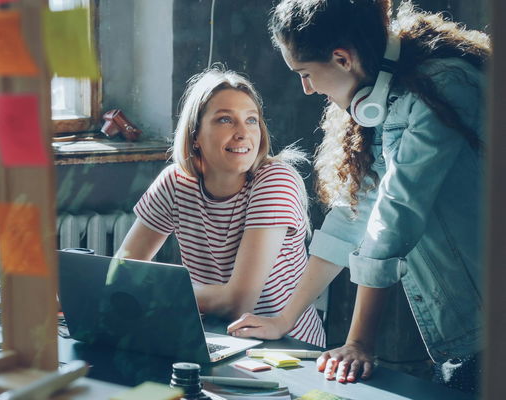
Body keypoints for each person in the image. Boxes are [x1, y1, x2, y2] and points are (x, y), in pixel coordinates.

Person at [226, 0, 488, 393]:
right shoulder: (383, 97)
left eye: (306, 73)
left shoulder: (446, 85)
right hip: (469, 331)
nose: (307, 88)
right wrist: (285, 318)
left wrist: (360, 342)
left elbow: (396, 215)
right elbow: (354, 215)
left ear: (342, 59)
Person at [116, 68, 326, 347]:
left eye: (251, 120)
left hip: (287, 347)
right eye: (225, 119)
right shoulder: (176, 182)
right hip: (214, 338)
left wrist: (156, 289)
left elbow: (238, 302)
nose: (242, 133)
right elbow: (122, 272)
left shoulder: (276, 180)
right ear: (195, 137)